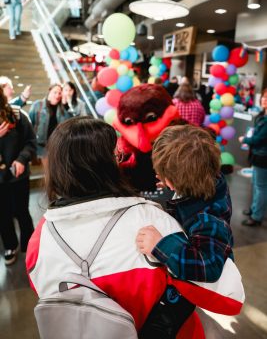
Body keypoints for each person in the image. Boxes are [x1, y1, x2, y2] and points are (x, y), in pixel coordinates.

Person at [26, 117, 244, 339]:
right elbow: (227, 296)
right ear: (105, 164)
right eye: (117, 154)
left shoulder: (39, 238)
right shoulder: (154, 220)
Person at [136, 124, 234, 336]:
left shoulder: (207, 220)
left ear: (176, 181)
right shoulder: (207, 180)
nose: (159, 178)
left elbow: (208, 266)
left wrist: (160, 245)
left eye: (162, 176)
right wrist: (174, 186)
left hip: (191, 284)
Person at [0, 86, 36, 266]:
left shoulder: (16, 113)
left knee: (22, 211)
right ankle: (10, 245)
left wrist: (22, 159)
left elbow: (31, 141)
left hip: (18, 176)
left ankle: (29, 244)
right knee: (3, 214)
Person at [239, 87, 267, 226]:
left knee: (261, 187)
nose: (264, 100)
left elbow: (258, 139)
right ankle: (254, 209)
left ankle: (257, 216)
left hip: (263, 158)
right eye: (263, 97)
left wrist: (244, 140)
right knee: (256, 185)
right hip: (258, 156)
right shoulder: (262, 117)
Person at [28, 83, 69, 157]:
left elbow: (67, 125)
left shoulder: (63, 108)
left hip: (56, 146)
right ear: (49, 91)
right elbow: (29, 125)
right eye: (55, 92)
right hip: (39, 146)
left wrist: (65, 104)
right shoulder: (37, 105)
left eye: (60, 93)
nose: (57, 95)